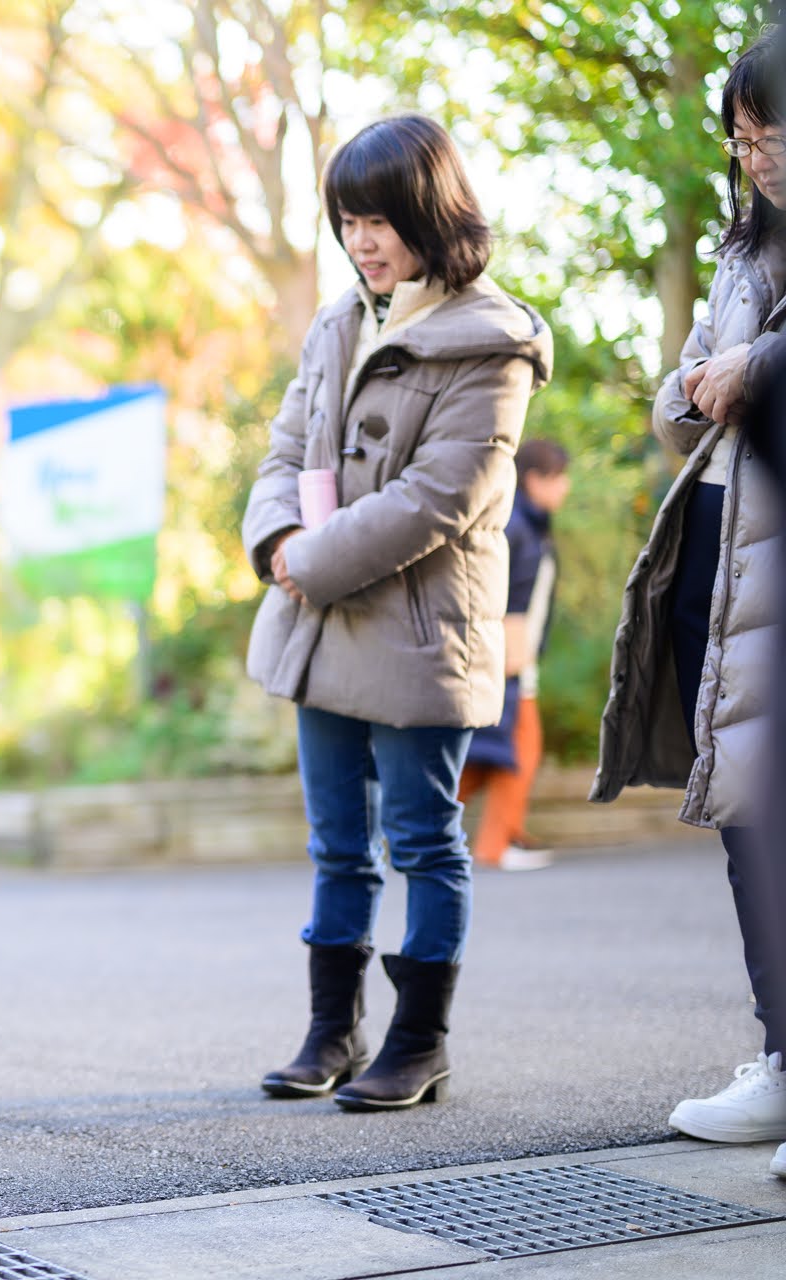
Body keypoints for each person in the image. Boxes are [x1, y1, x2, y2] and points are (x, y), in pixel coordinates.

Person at [242, 115, 552, 1110]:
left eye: (381, 217)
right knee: (336, 842)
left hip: (421, 634)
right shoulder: (340, 320)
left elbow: (439, 497)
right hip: (321, 623)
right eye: (349, 218)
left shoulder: (493, 343)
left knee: (422, 840)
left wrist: (311, 561)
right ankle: (332, 1030)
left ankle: (419, 1040)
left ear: (432, 211)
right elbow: (284, 452)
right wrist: (278, 544)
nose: (363, 238)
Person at [591, 32, 785, 1171]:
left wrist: (748, 372)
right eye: (741, 134)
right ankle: (780, 1055)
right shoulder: (741, 248)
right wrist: (703, 380)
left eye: (773, 129)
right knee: (751, 821)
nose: (754, 154)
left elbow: (741, 373)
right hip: (722, 554)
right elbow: (684, 392)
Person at [458, 438, 572, 872]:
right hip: (508, 654)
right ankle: (492, 843)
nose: (565, 486)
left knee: (493, 754)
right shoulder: (518, 527)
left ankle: (494, 833)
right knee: (518, 747)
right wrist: (508, 654)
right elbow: (505, 598)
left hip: (515, 654)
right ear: (533, 479)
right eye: (557, 476)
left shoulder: (530, 524)